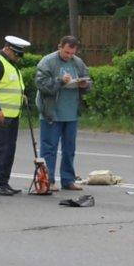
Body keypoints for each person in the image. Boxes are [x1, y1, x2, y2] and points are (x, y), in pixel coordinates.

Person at [35, 35, 90, 191]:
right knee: (49, 148)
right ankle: (48, 180)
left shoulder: (78, 63)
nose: (69, 56)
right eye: (66, 52)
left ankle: (68, 180)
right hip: (52, 113)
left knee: (69, 149)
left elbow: (88, 81)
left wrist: (84, 85)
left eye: (72, 53)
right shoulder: (47, 62)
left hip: (71, 113)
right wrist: (60, 81)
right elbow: (41, 84)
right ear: (60, 47)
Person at [0, 36, 31, 196]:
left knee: (9, 150)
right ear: (8, 48)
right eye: (17, 54)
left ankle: (5, 182)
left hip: (12, 116)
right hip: (0, 116)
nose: (18, 57)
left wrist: (22, 96)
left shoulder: (11, 64)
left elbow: (9, 86)